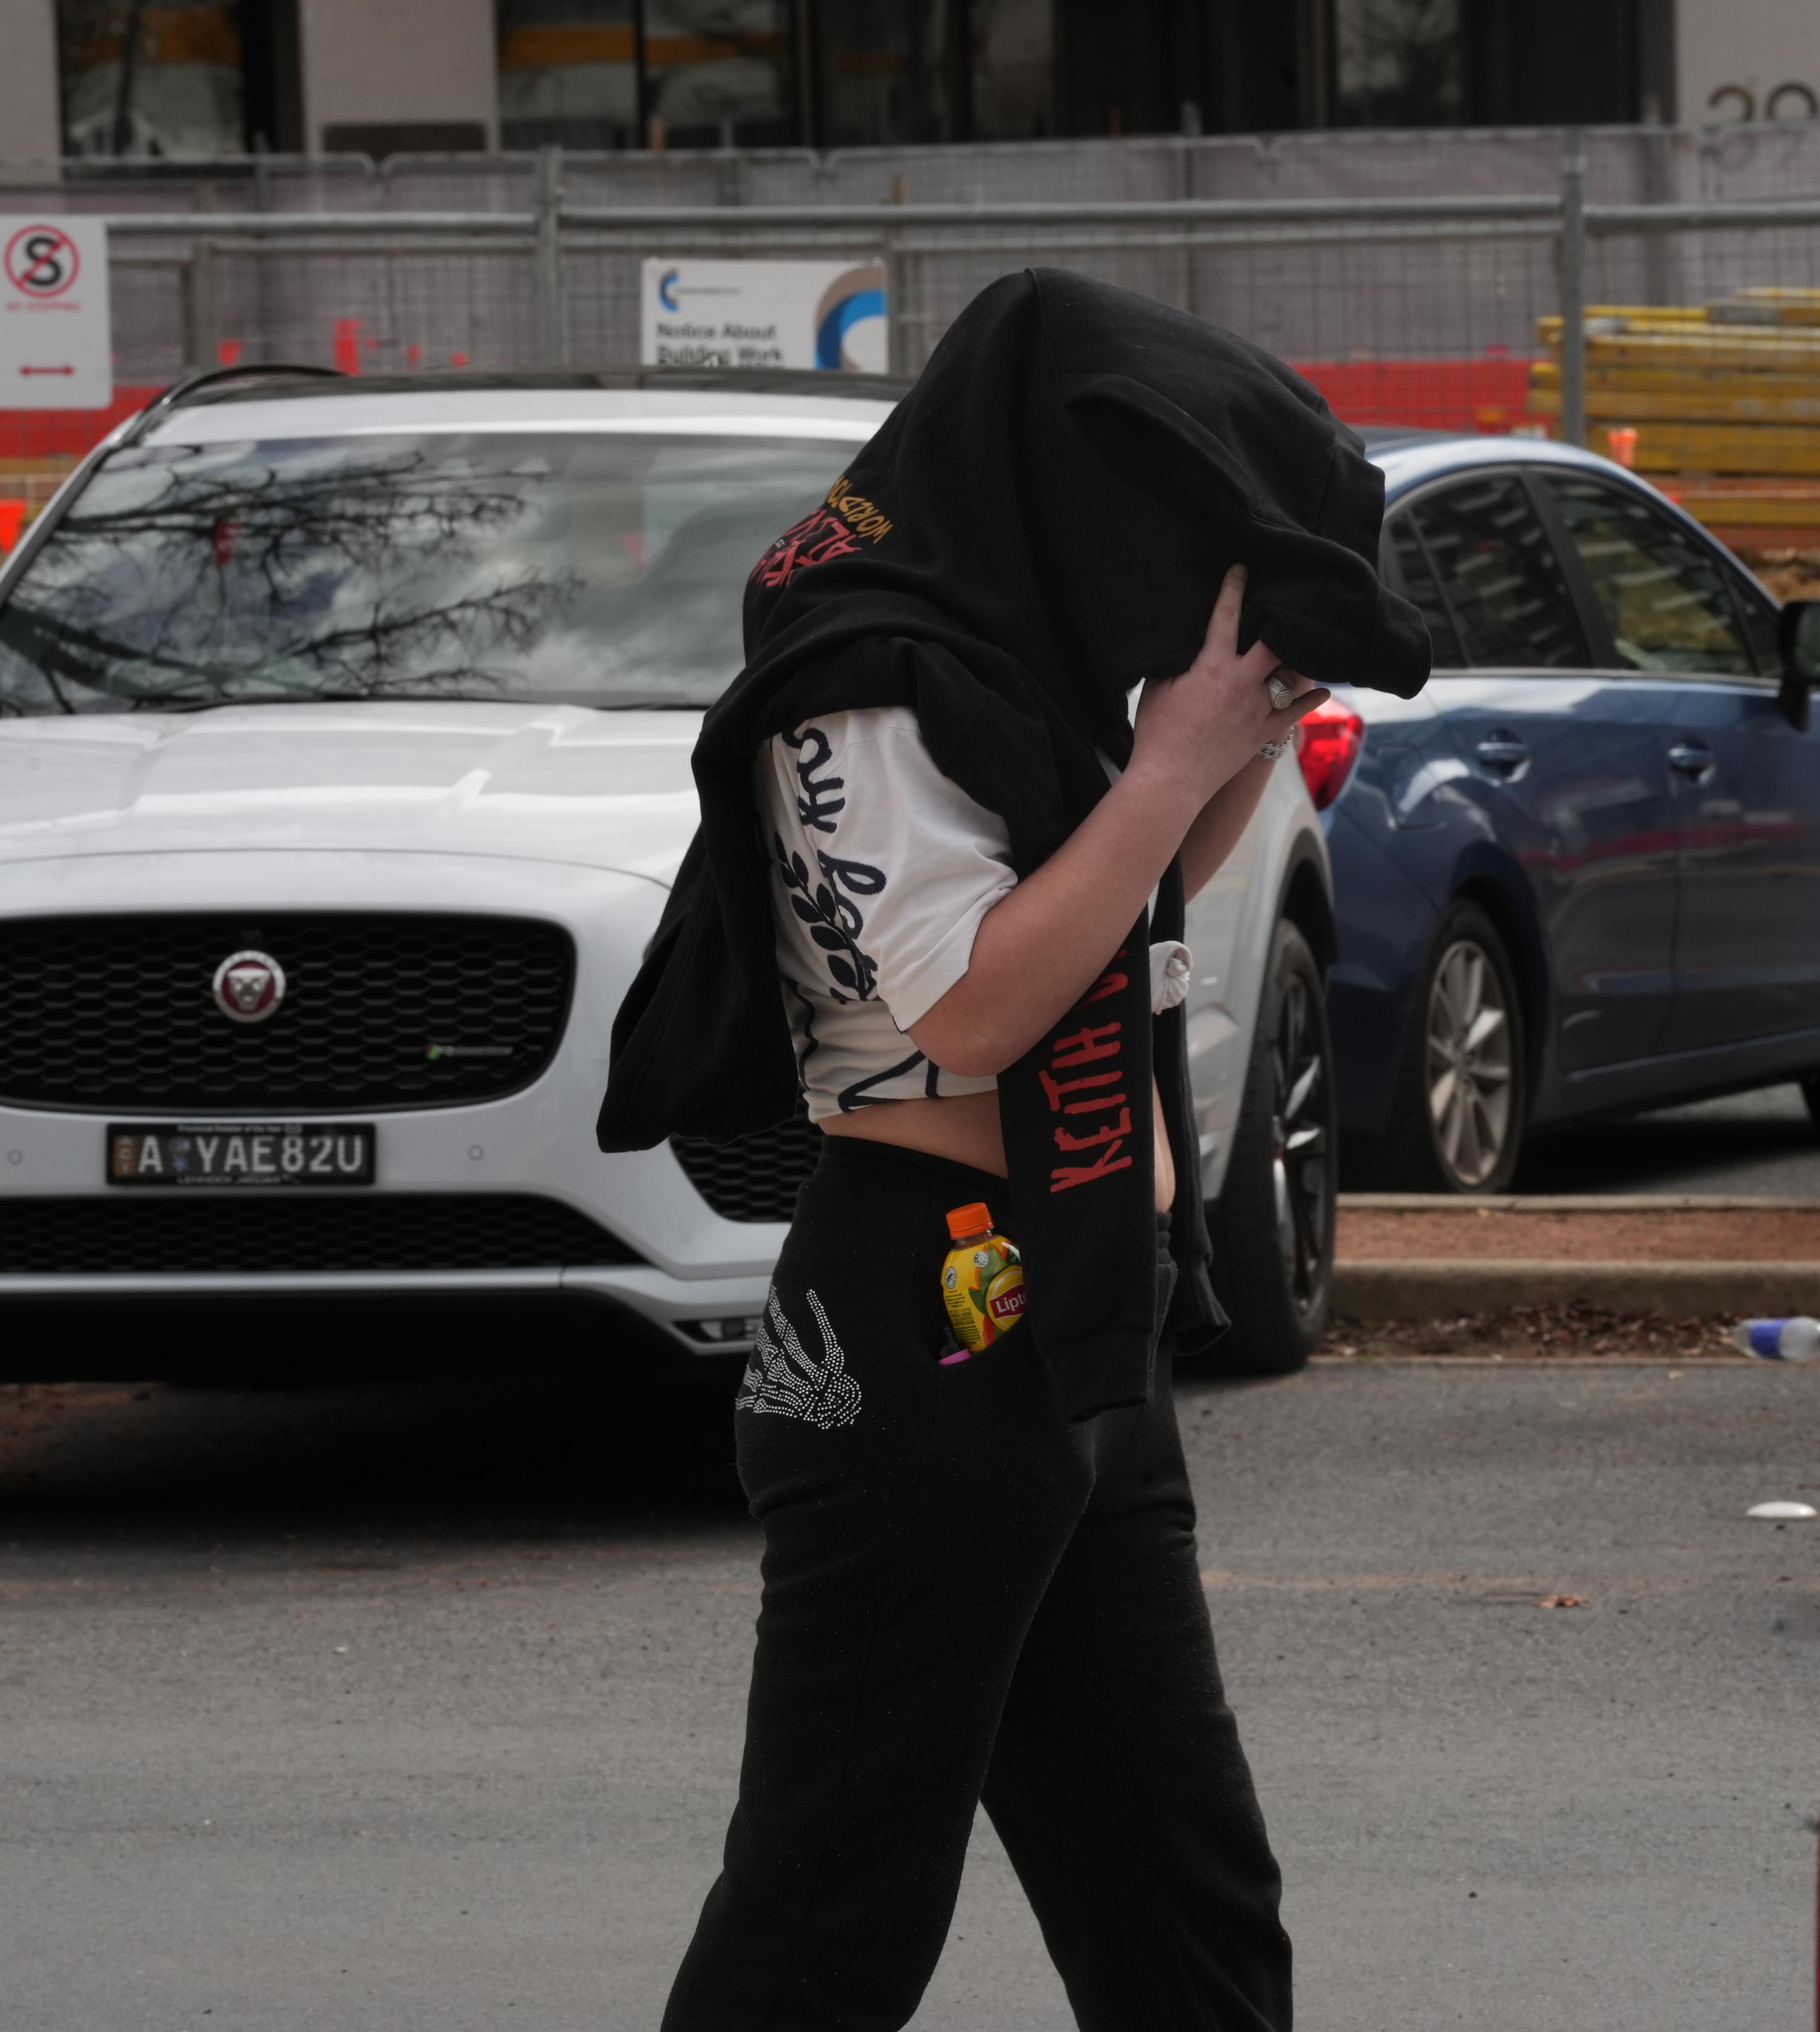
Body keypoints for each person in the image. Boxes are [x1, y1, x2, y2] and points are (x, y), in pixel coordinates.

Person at [599, 266, 1430, 2031]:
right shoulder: (864, 681)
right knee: (832, 1911)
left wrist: (1227, 741)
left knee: (1182, 1894)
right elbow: (968, 1013)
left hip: (1071, 1304)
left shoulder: (1011, 670)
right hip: (920, 1315)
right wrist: (1157, 777)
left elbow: (1113, 929)